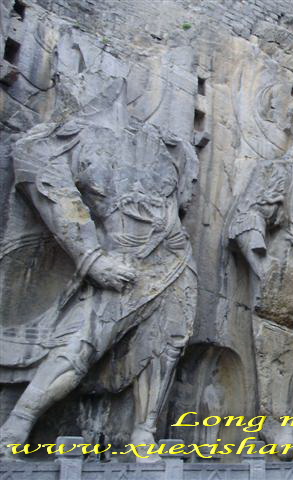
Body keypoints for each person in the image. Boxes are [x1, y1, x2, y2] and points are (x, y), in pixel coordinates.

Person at [0, 79, 198, 460]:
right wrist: (90, 257)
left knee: (168, 345)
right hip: (121, 258)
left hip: (174, 259)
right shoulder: (67, 138)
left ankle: (144, 432)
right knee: (80, 344)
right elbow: (46, 183)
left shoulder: (169, 145)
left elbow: (182, 202)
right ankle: (16, 426)